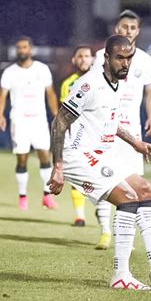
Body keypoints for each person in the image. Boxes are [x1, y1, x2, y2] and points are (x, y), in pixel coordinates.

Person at [48, 35, 151, 290]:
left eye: (128, 58)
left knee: (145, 191)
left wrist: (136, 143)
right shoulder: (88, 84)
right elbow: (59, 123)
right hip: (78, 155)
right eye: (120, 57)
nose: (125, 63)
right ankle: (120, 275)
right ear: (106, 58)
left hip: (102, 153)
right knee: (128, 198)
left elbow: (109, 121)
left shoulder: (116, 84)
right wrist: (59, 166)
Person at [91, 10, 151, 249]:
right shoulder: (101, 56)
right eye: (124, 26)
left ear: (138, 31)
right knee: (105, 179)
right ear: (116, 28)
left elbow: (150, 92)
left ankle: (126, 232)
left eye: (132, 27)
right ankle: (105, 231)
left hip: (133, 130)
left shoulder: (146, 60)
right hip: (105, 128)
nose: (127, 31)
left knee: (134, 182)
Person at [0, 36, 59, 211]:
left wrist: (56, 115)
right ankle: (22, 197)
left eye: (24, 47)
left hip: (39, 120)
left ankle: (47, 196)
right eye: (19, 48)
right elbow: (2, 96)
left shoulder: (42, 69)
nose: (22, 50)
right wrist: (0, 115)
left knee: (45, 157)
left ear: (31, 49)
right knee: (22, 159)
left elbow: (51, 94)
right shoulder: (9, 72)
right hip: (19, 121)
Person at [59, 46, 94, 227]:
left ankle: (102, 214)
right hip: (77, 137)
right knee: (76, 177)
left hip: (97, 136)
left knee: (100, 176)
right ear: (74, 60)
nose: (83, 59)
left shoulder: (100, 81)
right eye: (80, 56)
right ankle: (80, 217)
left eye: (87, 56)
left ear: (92, 59)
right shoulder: (68, 84)